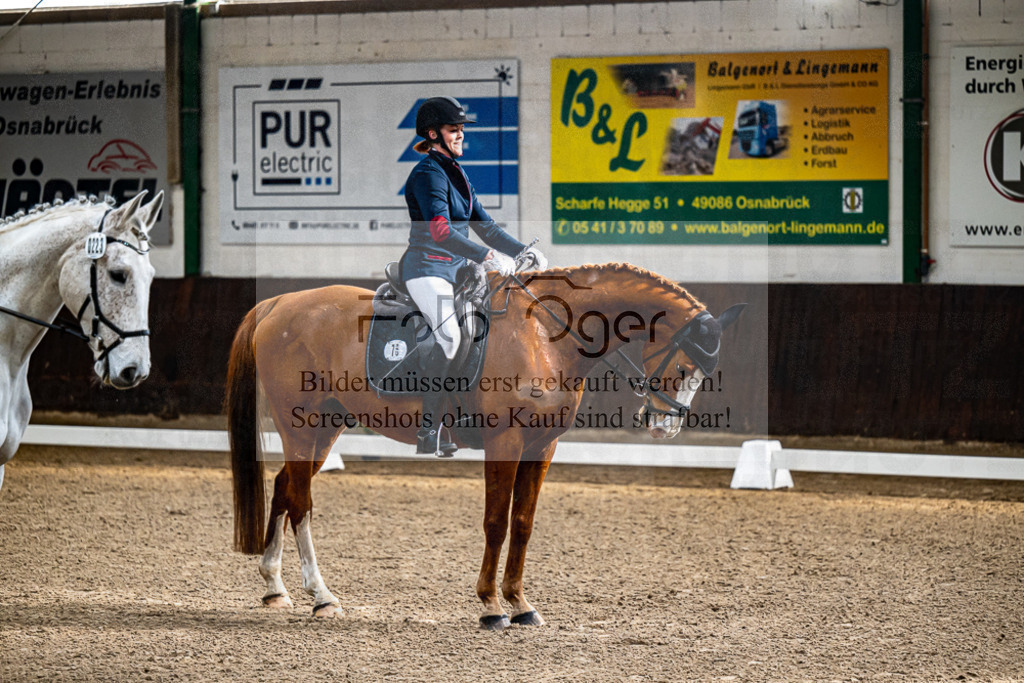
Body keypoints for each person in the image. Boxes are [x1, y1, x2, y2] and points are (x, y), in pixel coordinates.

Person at [401, 96, 546, 456]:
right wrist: (487, 256)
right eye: (454, 130)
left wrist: (522, 251)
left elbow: (487, 227)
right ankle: (428, 431)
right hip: (427, 267)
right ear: (433, 134)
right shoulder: (426, 174)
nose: (461, 135)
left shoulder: (458, 174)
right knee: (449, 336)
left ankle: (462, 415)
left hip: (457, 270)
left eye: (462, 129)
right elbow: (439, 231)